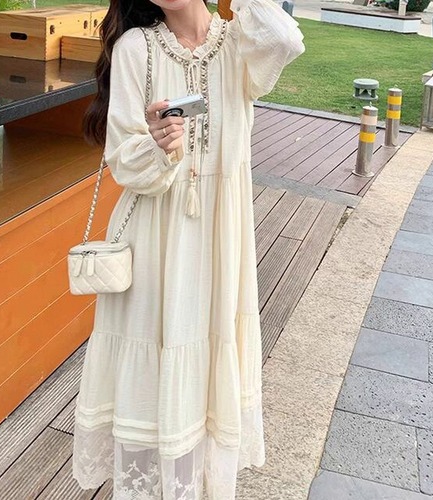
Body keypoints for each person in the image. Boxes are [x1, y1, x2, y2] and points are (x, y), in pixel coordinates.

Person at [72, 0, 304, 497]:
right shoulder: (136, 48)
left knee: (208, 358)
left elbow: (286, 39)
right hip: (155, 237)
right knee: (156, 358)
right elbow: (122, 159)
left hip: (220, 239)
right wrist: (158, 145)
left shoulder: (240, 43)